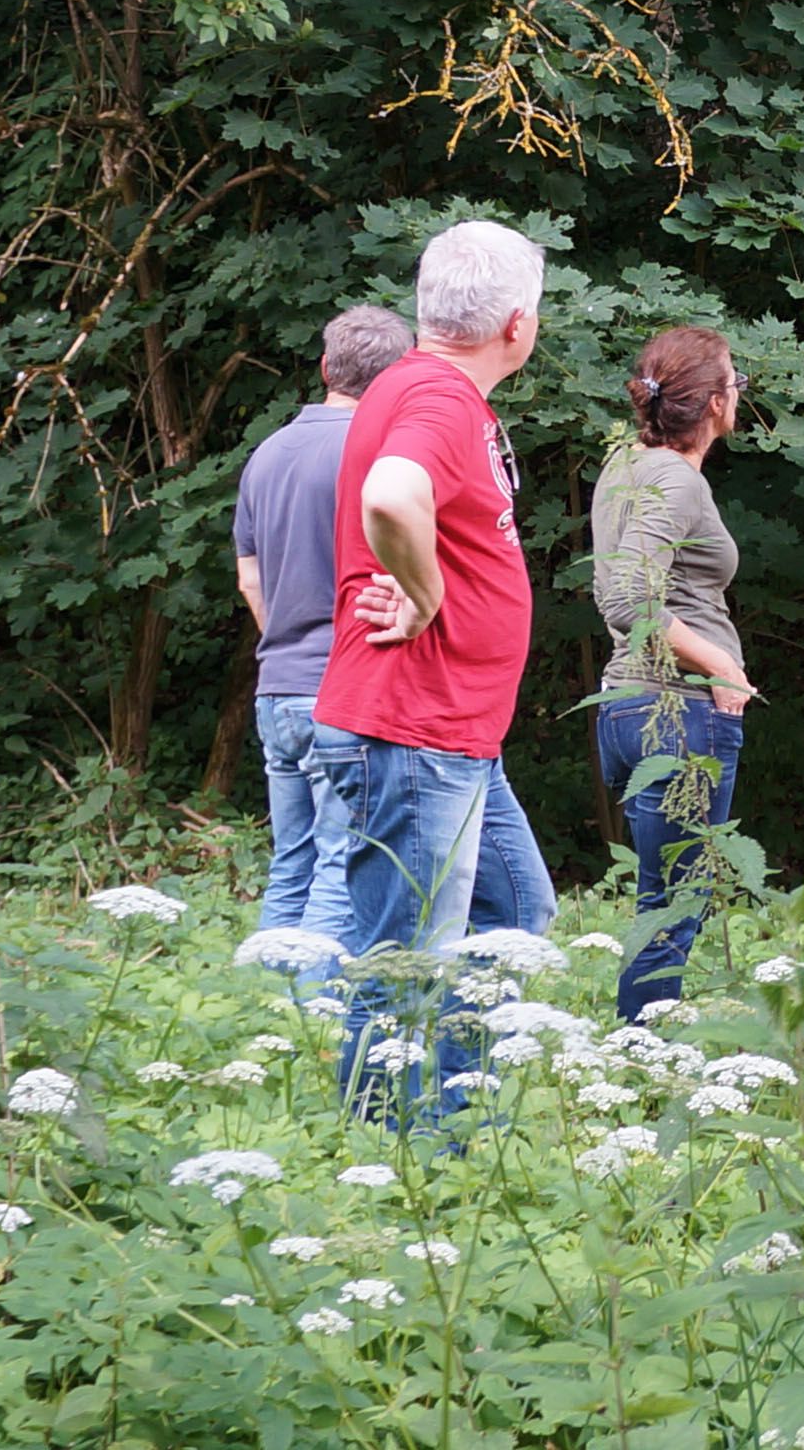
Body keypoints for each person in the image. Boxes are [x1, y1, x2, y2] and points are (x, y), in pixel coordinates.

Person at [303, 219, 552, 1120]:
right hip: (412, 731)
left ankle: (453, 1125)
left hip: (452, 737)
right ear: (518, 325)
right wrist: (427, 588)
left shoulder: (420, 388)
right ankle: (384, 1164)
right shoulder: (440, 401)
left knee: (516, 917)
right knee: (407, 967)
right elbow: (390, 495)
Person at [234, 304, 414, 951]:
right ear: (398, 378)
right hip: (342, 694)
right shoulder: (377, 457)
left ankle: (262, 1017)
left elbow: (249, 579)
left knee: (291, 865)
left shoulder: (268, 452)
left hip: (275, 689)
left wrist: (285, 648)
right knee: (340, 867)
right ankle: (312, 1026)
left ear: (324, 368)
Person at [587, 325, 753, 1019]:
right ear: (714, 402)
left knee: (661, 897)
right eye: (735, 381)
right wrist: (720, 662)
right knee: (675, 903)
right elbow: (626, 596)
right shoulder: (676, 481)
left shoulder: (624, 466)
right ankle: (642, 1061)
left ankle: (638, 1049)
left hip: (626, 710)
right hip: (676, 713)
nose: (740, 392)